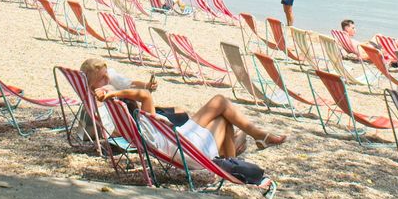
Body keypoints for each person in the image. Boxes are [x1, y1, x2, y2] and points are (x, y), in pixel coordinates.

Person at [81, 58, 286, 159]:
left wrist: (113, 94)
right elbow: (114, 130)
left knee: (222, 112)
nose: (108, 80)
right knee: (221, 105)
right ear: (92, 85)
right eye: (103, 79)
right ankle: (248, 145)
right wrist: (113, 95)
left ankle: (247, 145)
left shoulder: (104, 102)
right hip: (175, 143)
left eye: (108, 76)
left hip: (169, 137)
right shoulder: (105, 107)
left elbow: (137, 96)